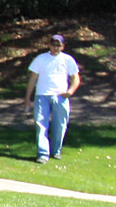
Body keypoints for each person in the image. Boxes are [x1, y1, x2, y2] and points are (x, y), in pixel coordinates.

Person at [23, 32, 81, 163]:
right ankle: (43, 154)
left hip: (60, 96)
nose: (56, 48)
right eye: (54, 45)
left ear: (63, 46)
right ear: (49, 45)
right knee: (41, 124)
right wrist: (27, 98)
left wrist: (70, 91)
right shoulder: (40, 59)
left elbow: (76, 78)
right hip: (42, 95)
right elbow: (33, 79)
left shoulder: (68, 60)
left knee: (60, 125)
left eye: (58, 45)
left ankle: (55, 151)